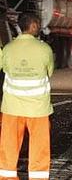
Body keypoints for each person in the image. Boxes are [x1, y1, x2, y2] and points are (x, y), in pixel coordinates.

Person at [0, 13, 53, 180]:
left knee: (9, 148)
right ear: (34, 26)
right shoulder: (45, 49)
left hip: (11, 108)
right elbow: (49, 72)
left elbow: (4, 68)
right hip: (38, 109)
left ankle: (7, 177)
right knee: (39, 149)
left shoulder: (8, 49)